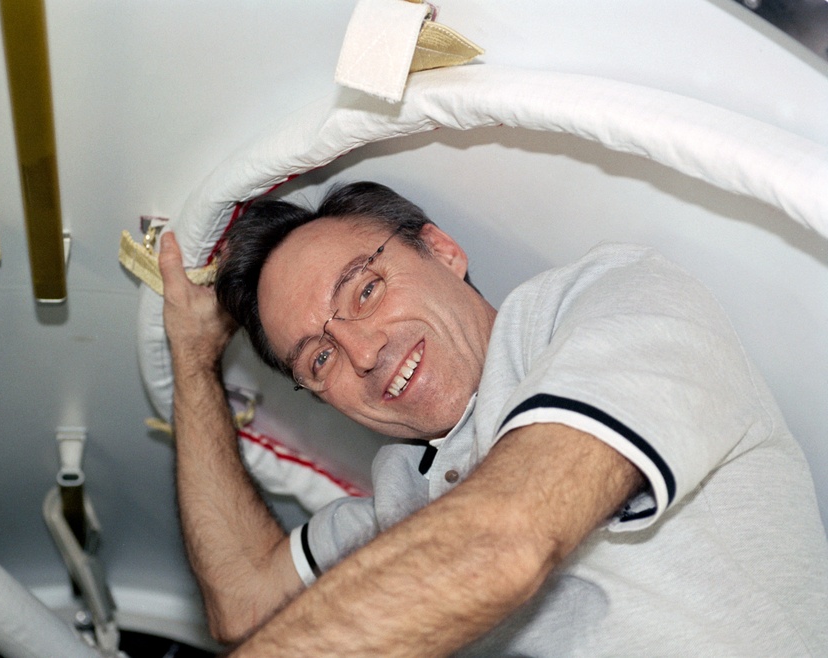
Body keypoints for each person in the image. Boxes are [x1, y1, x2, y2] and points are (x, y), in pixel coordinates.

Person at [157, 181, 828, 656]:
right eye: (321, 357)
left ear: (442, 251)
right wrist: (193, 359)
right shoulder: (398, 503)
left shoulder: (607, 302)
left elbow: (503, 541)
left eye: (366, 289)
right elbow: (243, 601)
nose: (362, 353)